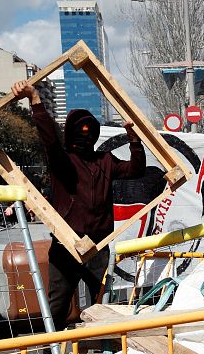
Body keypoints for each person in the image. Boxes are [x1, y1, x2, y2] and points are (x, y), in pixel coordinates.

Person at [11, 80, 146, 329]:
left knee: (104, 305)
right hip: (66, 245)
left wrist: (135, 141)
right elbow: (49, 141)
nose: (85, 135)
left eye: (89, 131)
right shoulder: (63, 160)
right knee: (57, 306)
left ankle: (106, 351)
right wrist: (36, 101)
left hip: (99, 246)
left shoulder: (105, 160)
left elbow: (135, 169)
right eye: (80, 131)